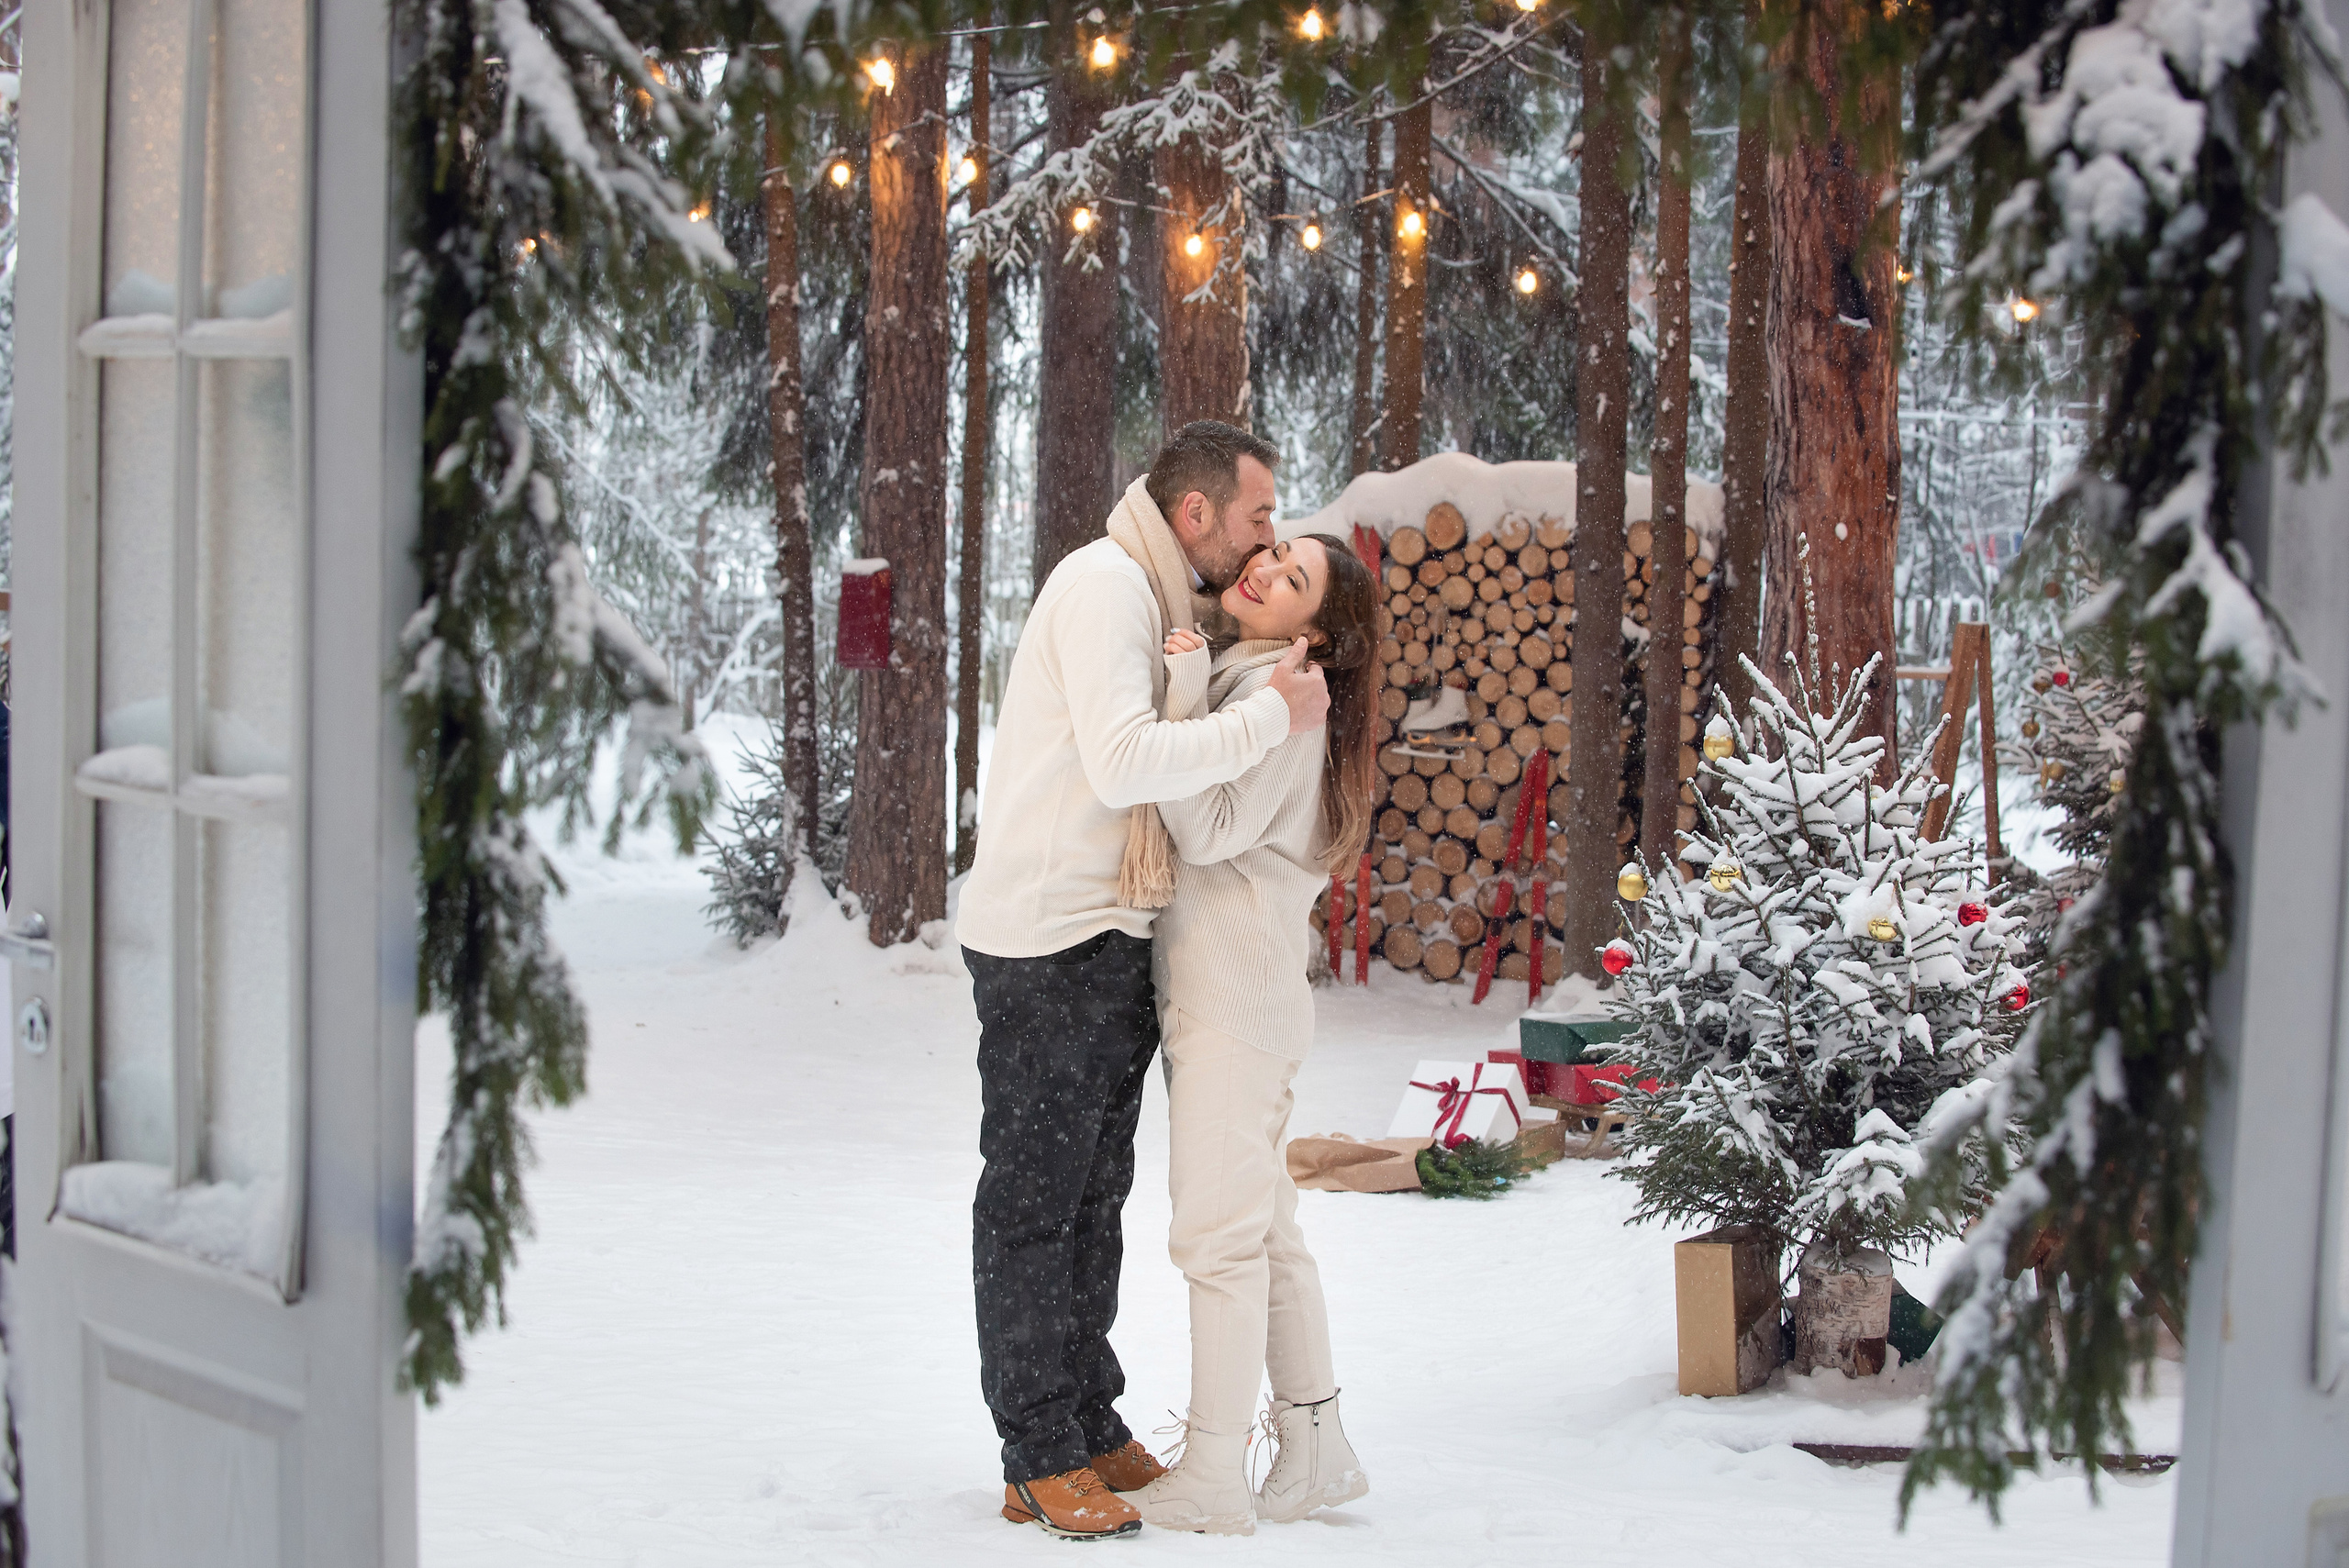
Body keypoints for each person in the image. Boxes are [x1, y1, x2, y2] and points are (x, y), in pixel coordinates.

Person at [957, 422, 1330, 1541]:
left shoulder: (1164, 602)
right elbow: (1124, 758)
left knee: (1092, 1197)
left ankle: (1088, 1414)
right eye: (1258, 516)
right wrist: (1271, 714)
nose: (1268, 537)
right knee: (1034, 1201)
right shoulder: (1104, 587)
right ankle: (1035, 1450)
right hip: (1045, 936)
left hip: (1115, 927)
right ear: (1196, 515)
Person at [1121, 534, 1380, 1535]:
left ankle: (1215, 1474)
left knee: (1216, 1237)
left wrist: (1183, 700)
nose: (1266, 567)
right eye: (1274, 549)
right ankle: (1315, 1444)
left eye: (1294, 575)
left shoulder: (1286, 689)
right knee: (1264, 1227)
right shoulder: (1262, 677)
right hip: (1245, 993)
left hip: (1232, 998)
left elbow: (1206, 826)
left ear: (1315, 627)